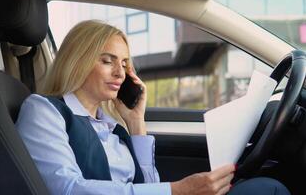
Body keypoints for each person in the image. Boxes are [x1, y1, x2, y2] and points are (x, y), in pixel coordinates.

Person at [15, 20, 290, 195]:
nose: (120, 73)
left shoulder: (112, 128)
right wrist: (177, 191)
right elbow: (66, 189)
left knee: (263, 187)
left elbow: (146, 186)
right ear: (78, 61)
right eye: (107, 61)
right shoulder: (44, 111)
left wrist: (136, 123)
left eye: (124, 64)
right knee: (268, 189)